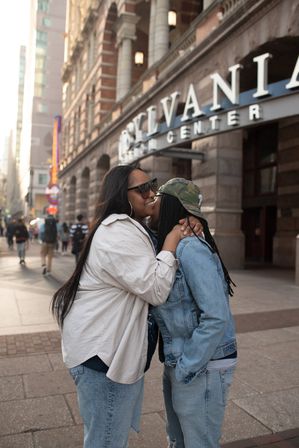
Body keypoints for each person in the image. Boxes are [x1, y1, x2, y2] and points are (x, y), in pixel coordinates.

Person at [51, 165, 190, 448]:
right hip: (104, 360)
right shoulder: (117, 231)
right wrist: (172, 243)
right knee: (107, 442)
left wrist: (187, 222)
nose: (151, 193)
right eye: (142, 189)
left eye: (152, 184)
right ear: (121, 195)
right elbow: (156, 289)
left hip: (104, 354)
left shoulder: (126, 228)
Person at [151, 178, 237, 448]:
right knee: (179, 439)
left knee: (198, 443)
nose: (152, 203)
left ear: (169, 205)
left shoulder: (190, 249)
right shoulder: (170, 244)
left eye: (158, 199)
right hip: (183, 361)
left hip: (201, 364)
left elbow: (215, 316)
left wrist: (187, 366)